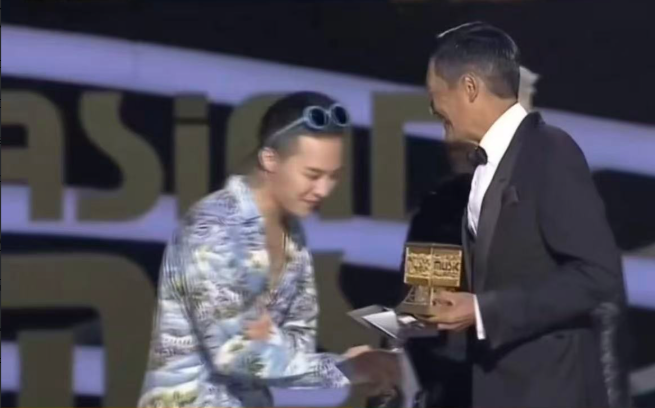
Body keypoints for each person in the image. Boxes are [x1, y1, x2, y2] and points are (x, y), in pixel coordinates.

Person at [138, 92, 400, 407]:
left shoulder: (294, 237)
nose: (324, 189)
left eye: (334, 176)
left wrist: (270, 342)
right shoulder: (214, 225)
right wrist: (347, 368)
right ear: (270, 160)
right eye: (312, 175)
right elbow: (233, 355)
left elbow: (297, 343)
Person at [418, 22, 629, 407]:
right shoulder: (475, 175)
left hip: (549, 393)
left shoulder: (550, 152)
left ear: (469, 87)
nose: (432, 107)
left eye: (435, 93)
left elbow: (598, 276)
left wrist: (483, 311)